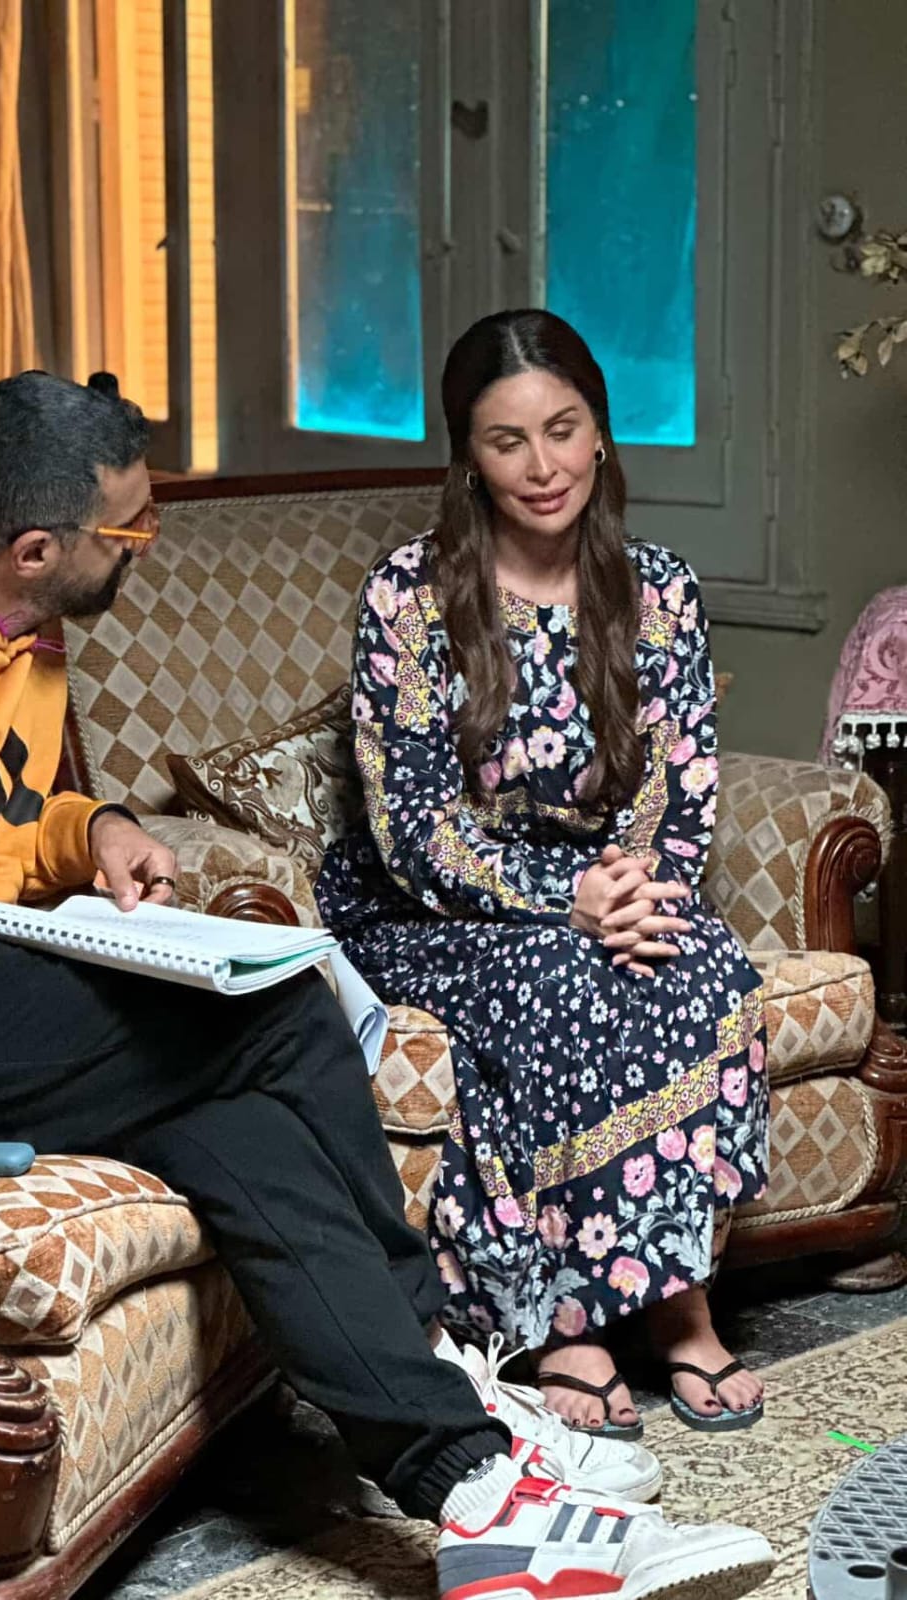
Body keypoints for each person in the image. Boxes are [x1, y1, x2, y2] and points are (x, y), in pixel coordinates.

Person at [0, 371, 773, 1600]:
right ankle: (439, 1347)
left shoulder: (17, 616)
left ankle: (473, 1491)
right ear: (37, 546)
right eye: (130, 531)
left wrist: (91, 829)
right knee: (277, 1003)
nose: (148, 544)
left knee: (240, 1124)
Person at [316, 311, 771, 1439]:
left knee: (706, 969)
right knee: (563, 983)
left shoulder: (660, 590)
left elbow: (679, 786)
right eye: (507, 439)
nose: (542, 465)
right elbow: (413, 831)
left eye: (562, 430)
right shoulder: (410, 595)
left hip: (608, 888)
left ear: (601, 433)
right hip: (433, 909)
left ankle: (675, 1303)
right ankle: (565, 1321)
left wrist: (636, 897)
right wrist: (564, 902)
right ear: (468, 456)